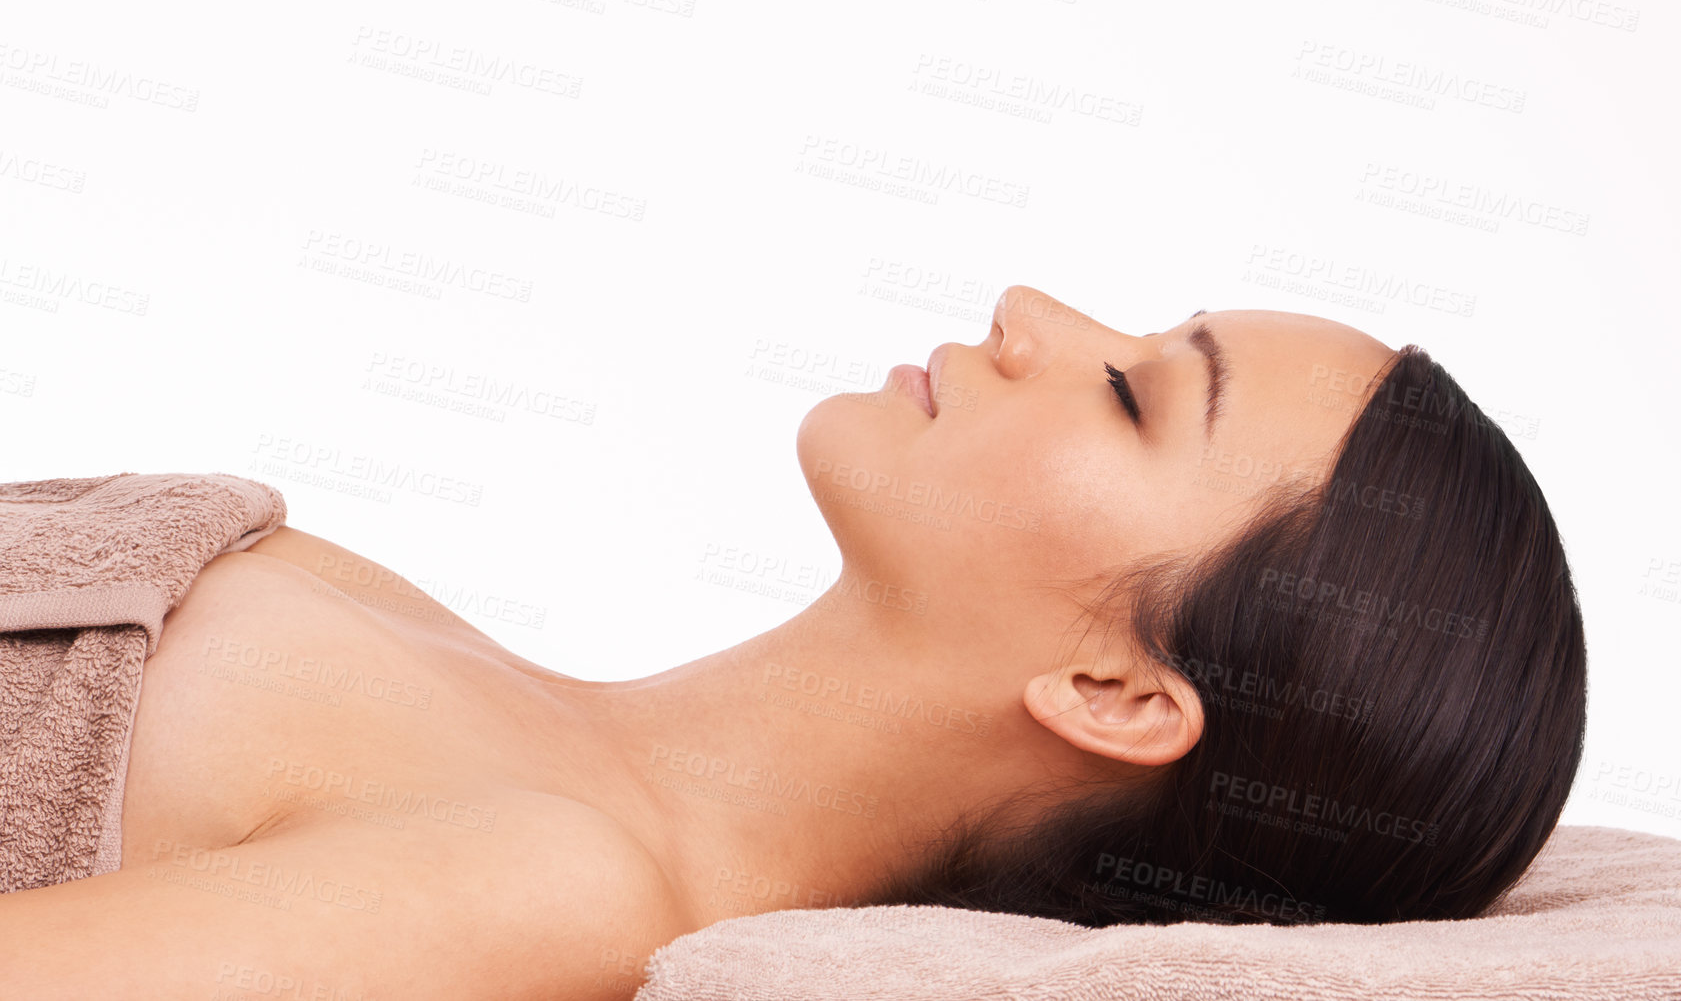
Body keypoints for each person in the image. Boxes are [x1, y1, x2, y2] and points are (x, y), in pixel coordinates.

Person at [0, 285, 1586, 1000]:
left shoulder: (541, 890)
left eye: (1132, 394)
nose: (1031, 309)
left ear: (1112, 691)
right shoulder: (447, 669)